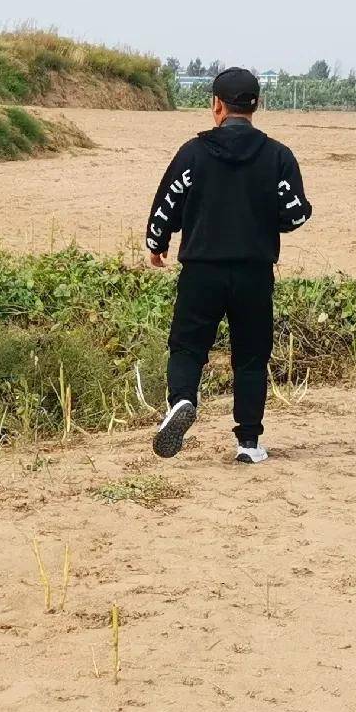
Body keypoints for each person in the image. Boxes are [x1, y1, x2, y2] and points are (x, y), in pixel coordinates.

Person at [142, 67, 311, 463]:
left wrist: (156, 245)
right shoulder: (277, 156)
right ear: (257, 106)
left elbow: (166, 204)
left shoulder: (193, 153)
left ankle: (182, 401)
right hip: (254, 274)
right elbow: (295, 214)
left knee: (186, 347)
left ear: (216, 105)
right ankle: (248, 444)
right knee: (251, 356)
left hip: (202, 271)